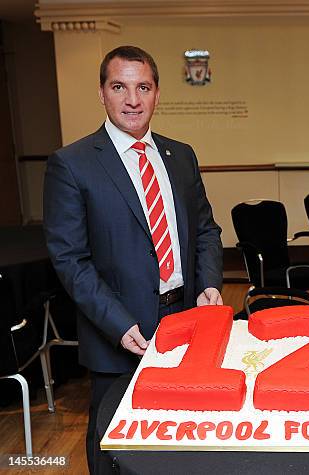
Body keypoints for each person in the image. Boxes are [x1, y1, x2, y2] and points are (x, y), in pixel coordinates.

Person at [43, 46, 223, 474]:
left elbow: (206, 231)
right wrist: (118, 324)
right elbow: (70, 260)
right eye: (119, 86)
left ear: (157, 94)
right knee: (113, 439)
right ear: (102, 94)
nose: (132, 99)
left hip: (185, 320)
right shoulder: (72, 164)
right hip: (119, 331)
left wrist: (210, 285)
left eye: (143, 87)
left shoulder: (181, 156)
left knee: (180, 430)